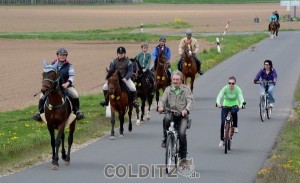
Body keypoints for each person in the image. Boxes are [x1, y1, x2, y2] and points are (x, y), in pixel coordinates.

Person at [32, 48, 85, 121]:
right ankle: (39, 113)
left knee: (75, 94)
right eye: (60, 55)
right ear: (57, 55)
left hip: (66, 86)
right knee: (42, 96)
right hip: (53, 88)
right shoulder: (52, 65)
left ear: (66, 56)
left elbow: (71, 77)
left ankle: (77, 112)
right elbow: (47, 75)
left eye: (64, 55)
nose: (62, 56)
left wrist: (67, 84)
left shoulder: (69, 65)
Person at [157, 70, 194, 160]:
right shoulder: (168, 89)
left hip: (182, 115)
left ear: (181, 80)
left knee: (181, 134)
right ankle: (166, 139)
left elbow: (190, 101)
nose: (175, 81)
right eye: (173, 79)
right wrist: (160, 107)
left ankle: (183, 155)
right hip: (171, 112)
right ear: (171, 80)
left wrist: (186, 110)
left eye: (177, 79)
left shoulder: (186, 89)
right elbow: (162, 100)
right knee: (166, 119)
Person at [216, 76, 245, 147]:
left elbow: (241, 98)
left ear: (235, 83)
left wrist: (241, 104)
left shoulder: (237, 89)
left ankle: (235, 126)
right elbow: (219, 96)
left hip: (235, 105)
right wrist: (218, 103)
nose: (231, 85)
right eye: (230, 83)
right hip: (225, 105)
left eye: (233, 83)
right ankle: (222, 140)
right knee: (223, 123)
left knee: (234, 112)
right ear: (228, 83)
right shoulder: (225, 88)